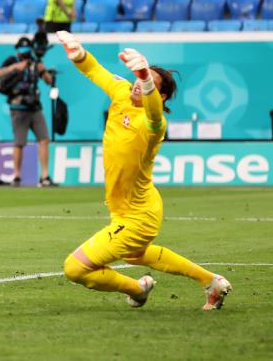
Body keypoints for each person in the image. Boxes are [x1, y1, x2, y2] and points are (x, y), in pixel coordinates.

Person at [56, 30, 233, 311]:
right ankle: (211, 281)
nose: (138, 84)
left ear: (160, 95)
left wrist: (145, 78)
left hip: (139, 216)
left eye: (147, 82)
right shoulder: (121, 92)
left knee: (75, 268)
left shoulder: (154, 124)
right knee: (136, 255)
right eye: (138, 78)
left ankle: (137, 289)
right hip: (129, 208)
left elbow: (153, 112)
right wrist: (78, 54)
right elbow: (96, 71)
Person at [0, 37, 56, 187]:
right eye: (22, 50)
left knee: (44, 139)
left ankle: (44, 177)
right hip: (18, 108)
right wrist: (16, 67)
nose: (25, 53)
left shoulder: (35, 63)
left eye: (27, 50)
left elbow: (49, 81)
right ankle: (16, 176)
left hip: (35, 107)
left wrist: (43, 71)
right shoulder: (12, 60)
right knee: (19, 143)